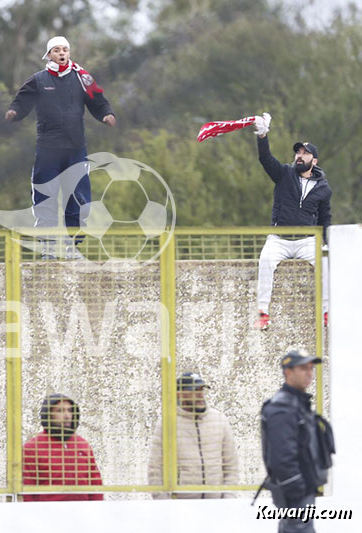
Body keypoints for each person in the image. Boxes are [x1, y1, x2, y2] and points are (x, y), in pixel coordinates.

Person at [5, 36, 116, 259]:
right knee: (45, 197)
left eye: (65, 49)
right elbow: (22, 100)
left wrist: (106, 114)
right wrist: (14, 112)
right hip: (48, 149)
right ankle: (48, 247)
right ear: (49, 55)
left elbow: (98, 99)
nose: (62, 53)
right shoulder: (39, 79)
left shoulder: (82, 77)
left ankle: (72, 246)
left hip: (75, 148)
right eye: (57, 50)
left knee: (78, 198)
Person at [253, 113, 332, 330]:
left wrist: (327, 243)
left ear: (314, 161)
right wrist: (262, 135)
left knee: (326, 264)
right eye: (298, 152)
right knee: (265, 261)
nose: (300, 155)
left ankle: (326, 313)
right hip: (279, 238)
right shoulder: (284, 174)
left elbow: (325, 218)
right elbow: (266, 159)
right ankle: (263, 314)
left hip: (308, 240)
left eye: (305, 153)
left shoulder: (323, 188)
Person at [261, 350, 335, 532]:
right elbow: (282, 456)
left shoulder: (296, 403)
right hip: (295, 492)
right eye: (303, 368)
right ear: (288, 372)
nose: (309, 373)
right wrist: (297, 487)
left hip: (304, 489)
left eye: (311, 368)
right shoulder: (282, 407)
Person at [148, 372, 239, 499]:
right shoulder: (167, 423)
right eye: (194, 390)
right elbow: (155, 468)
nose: (200, 394)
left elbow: (231, 465)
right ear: (179, 394)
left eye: (201, 389)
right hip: (181, 508)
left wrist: (228, 498)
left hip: (217, 505)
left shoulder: (219, 419)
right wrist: (164, 503)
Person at [22, 393, 103, 501]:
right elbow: (27, 488)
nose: (67, 416)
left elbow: (95, 482)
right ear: (48, 414)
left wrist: (96, 510)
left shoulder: (82, 445)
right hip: (47, 513)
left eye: (69, 410)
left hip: (82, 513)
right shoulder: (33, 447)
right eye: (60, 411)